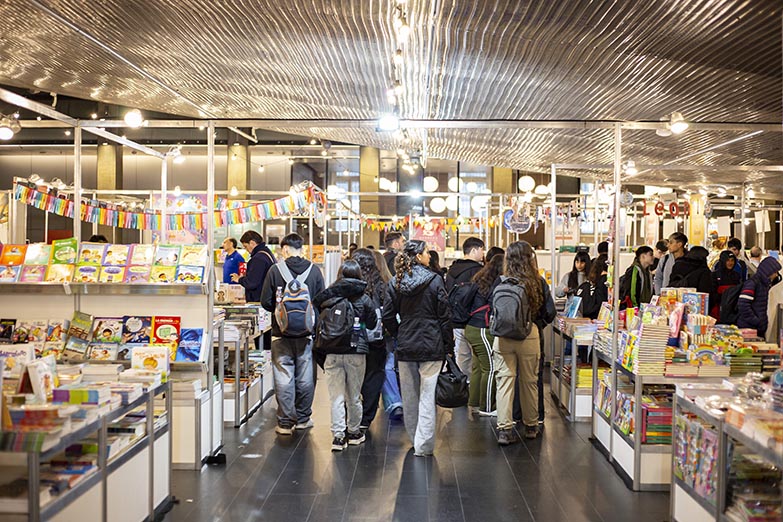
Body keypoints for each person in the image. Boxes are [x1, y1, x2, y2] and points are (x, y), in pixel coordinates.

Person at [383, 240, 453, 456]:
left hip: (406, 345)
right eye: (425, 252)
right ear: (419, 256)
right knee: (427, 395)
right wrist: (447, 344)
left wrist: (398, 333)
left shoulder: (396, 281)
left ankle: (415, 439)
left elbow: (387, 315)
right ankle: (424, 445)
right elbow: (444, 315)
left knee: (410, 396)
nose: (429, 256)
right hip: (431, 344)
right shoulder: (435, 281)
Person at [260, 233, 326, 435]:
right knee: (306, 377)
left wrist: (281, 313)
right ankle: (304, 418)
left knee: (283, 377)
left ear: (285, 248)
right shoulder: (314, 271)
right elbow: (322, 301)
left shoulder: (274, 271)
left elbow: (265, 302)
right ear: (302, 248)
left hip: (281, 333)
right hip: (307, 334)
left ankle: (286, 423)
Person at [312, 260, 377, 451]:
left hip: (331, 350)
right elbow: (372, 324)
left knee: (336, 397)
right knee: (354, 396)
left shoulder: (328, 297)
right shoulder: (364, 298)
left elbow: (318, 317)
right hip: (356, 351)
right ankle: (354, 432)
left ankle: (338, 437)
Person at [493, 241, 545, 444]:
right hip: (529, 334)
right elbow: (546, 311)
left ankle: (505, 430)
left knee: (504, 381)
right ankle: (531, 426)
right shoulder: (537, 282)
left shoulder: (500, 282)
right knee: (529, 381)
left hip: (503, 336)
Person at [352, 248, 390, 430]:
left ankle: (352, 416)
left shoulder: (347, 285)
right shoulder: (383, 285)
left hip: (351, 340)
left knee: (351, 379)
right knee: (374, 376)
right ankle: (366, 417)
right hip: (377, 339)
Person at [465, 254, 504, 416]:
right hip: (482, 328)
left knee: (478, 368)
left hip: (471, 327)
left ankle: (473, 403)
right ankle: (487, 407)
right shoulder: (495, 285)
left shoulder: (479, 279)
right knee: (490, 368)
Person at [445, 237, 485, 378]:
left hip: (454, 321)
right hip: (474, 321)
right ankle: (474, 392)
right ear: (474, 250)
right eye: (481, 249)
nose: (483, 253)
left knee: (461, 358)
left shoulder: (451, 270)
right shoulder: (479, 271)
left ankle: (462, 390)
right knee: (478, 360)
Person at [371, 249, 403, 419]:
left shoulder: (367, 286)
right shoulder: (392, 283)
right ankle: (394, 402)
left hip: (370, 333)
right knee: (388, 365)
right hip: (390, 332)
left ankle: (389, 402)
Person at [738, 257, 782, 338]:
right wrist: (756, 321)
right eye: (775, 272)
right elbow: (742, 304)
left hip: (758, 329)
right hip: (749, 329)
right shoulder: (752, 283)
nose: (776, 275)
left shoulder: (766, 285)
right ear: (768, 272)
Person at [231, 230, 275, 302]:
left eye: (246, 246)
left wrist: (239, 279)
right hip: (267, 298)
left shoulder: (258, 258)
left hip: (259, 300)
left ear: (252, 243)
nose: (246, 250)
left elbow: (252, 283)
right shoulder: (267, 253)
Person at [710, 251, 741, 319]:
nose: (730, 263)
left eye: (732, 260)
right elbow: (713, 293)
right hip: (718, 310)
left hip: (733, 309)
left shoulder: (736, 276)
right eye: (728, 260)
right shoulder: (715, 275)